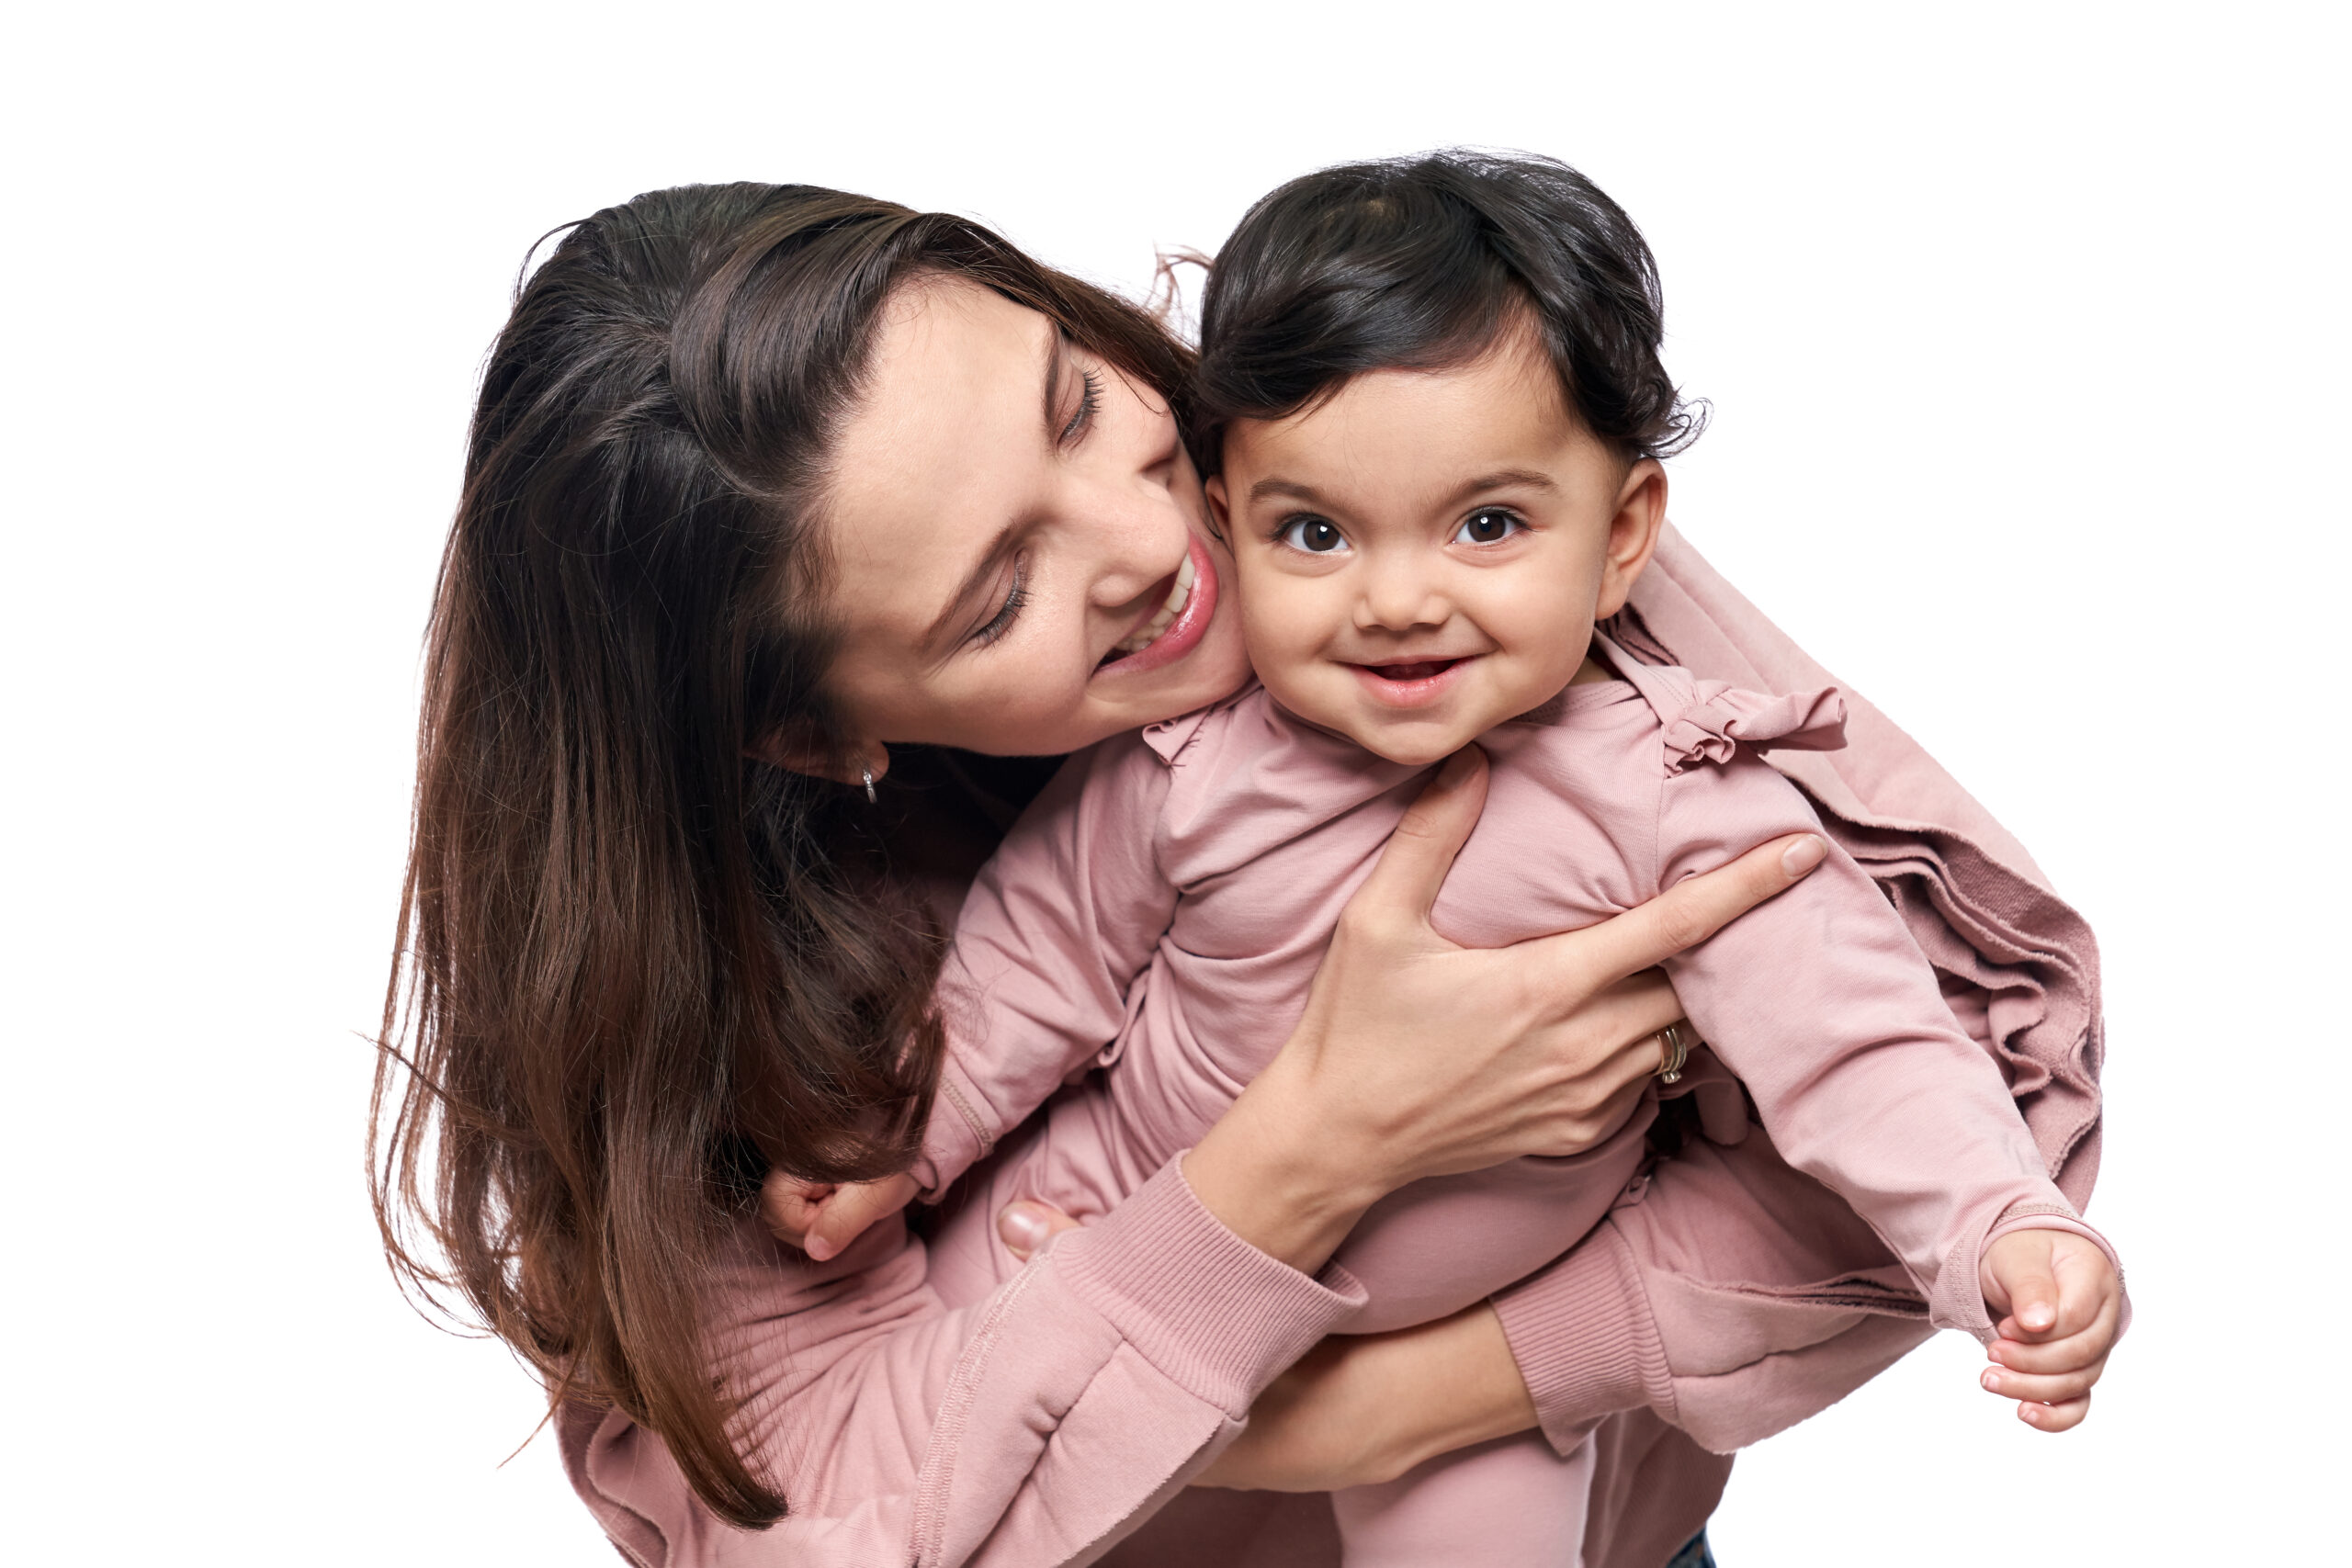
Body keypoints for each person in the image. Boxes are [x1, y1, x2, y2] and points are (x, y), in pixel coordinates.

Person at [372, 175, 2113, 1568]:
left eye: (1075, 403)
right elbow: (825, 1508)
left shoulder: (1404, 489)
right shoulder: (739, 962)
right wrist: (1298, 1157)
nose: (1164, 539)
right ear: (817, 741)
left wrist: (1434, 1397)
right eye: (998, 598)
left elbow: (1940, 1061)